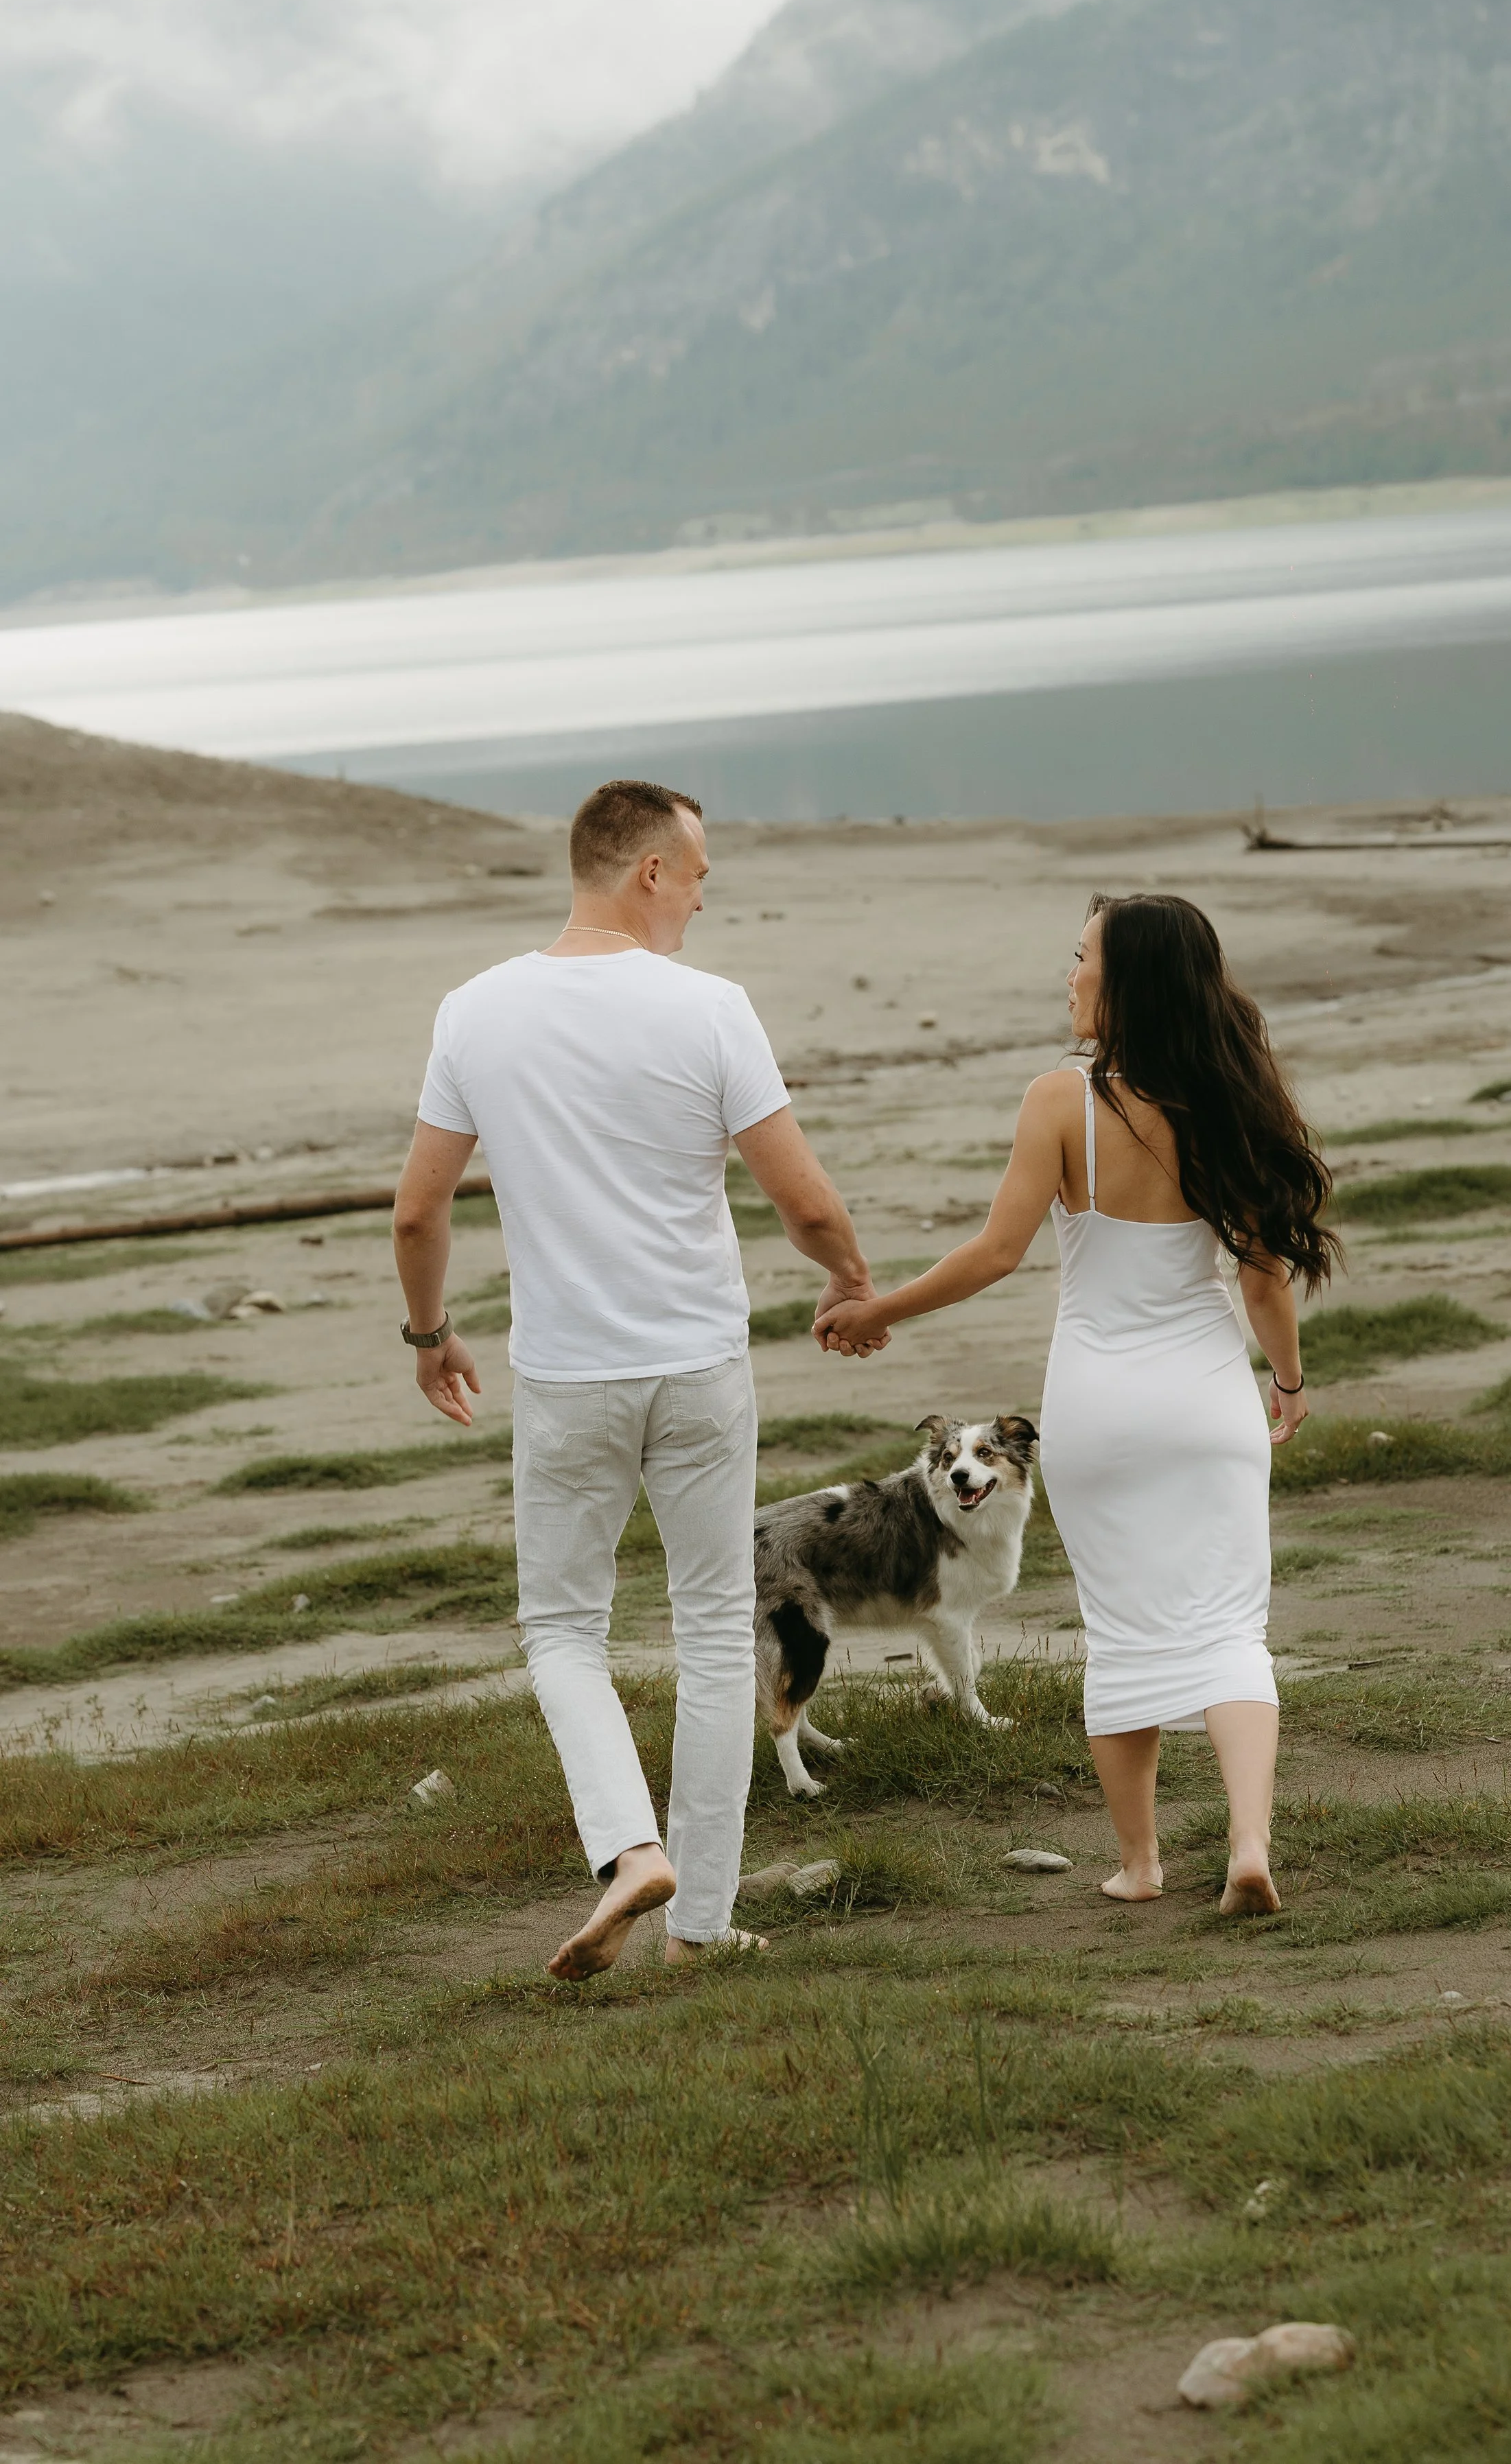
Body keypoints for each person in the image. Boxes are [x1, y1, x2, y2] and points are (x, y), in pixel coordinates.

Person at [393, 778, 883, 1980]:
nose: (705, 897)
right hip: (699, 1365)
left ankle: (627, 1848)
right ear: (648, 871)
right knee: (716, 1626)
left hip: (569, 1375)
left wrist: (428, 1335)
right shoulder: (710, 1009)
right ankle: (700, 1921)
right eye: (699, 873)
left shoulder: (474, 1010)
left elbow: (417, 1212)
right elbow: (806, 1200)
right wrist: (849, 1279)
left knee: (563, 1628)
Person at [817, 892, 1336, 1918]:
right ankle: (1246, 1842)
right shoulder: (1234, 1096)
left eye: (1082, 958)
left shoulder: (1059, 1100)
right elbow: (1267, 1281)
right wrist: (1285, 1381)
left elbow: (996, 1253)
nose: (1070, 975)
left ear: (1126, 980)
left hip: (1099, 1409)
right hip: (1206, 1403)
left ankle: (1141, 1864)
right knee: (1232, 1629)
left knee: (1127, 1632)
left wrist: (881, 1309)